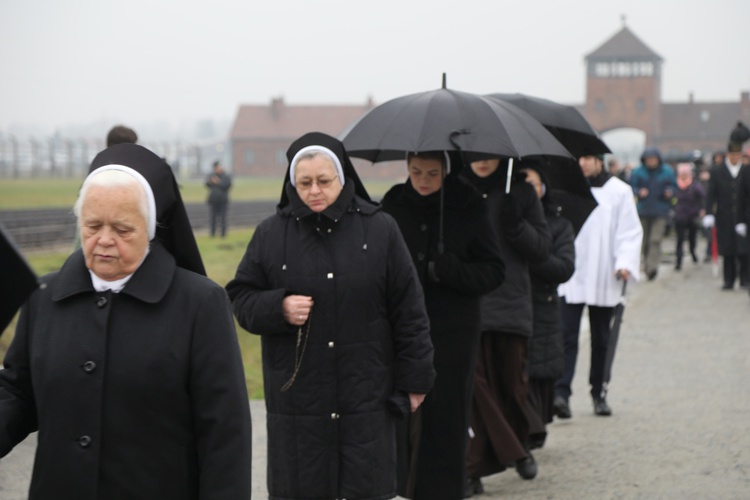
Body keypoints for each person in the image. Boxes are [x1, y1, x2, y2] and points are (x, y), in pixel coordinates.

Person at [0, 143, 253, 499]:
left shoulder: (199, 304)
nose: (104, 240)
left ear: (150, 230)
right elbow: (17, 391)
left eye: (122, 229)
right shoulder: (44, 295)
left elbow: (224, 432)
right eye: (93, 225)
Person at [226, 132, 436, 500]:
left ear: (343, 179)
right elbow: (240, 298)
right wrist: (278, 307)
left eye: (324, 181)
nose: (315, 191)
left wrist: (415, 380)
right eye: (304, 183)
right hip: (298, 401)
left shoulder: (380, 229)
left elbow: (409, 311)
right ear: (292, 183)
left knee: (366, 488)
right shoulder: (271, 234)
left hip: (365, 392)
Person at [380, 151, 505, 500]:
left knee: (446, 419)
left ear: (446, 171)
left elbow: (495, 270)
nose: (423, 180)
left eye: (433, 173)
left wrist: (453, 270)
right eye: (416, 171)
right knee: (398, 416)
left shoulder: (468, 204)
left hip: (453, 331)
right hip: (400, 330)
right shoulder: (392, 205)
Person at [461, 155, 552, 494]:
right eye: (476, 155)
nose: (482, 162)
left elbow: (542, 249)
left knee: (513, 387)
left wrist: (516, 226)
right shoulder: (459, 191)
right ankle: (476, 468)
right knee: (476, 389)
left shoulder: (522, 194)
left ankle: (519, 444)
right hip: (471, 301)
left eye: (490, 155)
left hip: (511, 303)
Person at [554, 153, 642, 419]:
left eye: (588, 158)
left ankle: (598, 392)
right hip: (573, 273)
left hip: (605, 273)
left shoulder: (619, 191)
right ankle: (561, 393)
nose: (582, 163)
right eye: (579, 158)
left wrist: (625, 261)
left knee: (601, 337)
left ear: (599, 160)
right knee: (566, 335)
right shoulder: (566, 189)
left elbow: (629, 230)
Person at [521, 166, 575, 450]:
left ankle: (535, 427)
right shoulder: (509, 220)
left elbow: (564, 267)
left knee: (540, 372)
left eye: (533, 183)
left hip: (544, 305)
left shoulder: (559, 224)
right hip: (513, 305)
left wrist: (531, 254)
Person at [703, 140, 749, 289]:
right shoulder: (718, 171)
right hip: (724, 215)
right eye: (733, 155)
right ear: (728, 155)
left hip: (744, 216)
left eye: (738, 155)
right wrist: (709, 213)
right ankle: (728, 280)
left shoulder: (747, 170)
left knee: (744, 250)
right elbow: (711, 194)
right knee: (727, 248)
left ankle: (745, 279)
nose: (736, 158)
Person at [629, 146, 676, 280]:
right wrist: (638, 192)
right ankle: (647, 262)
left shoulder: (667, 172)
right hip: (643, 210)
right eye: (648, 159)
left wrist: (669, 192)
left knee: (655, 239)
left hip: (660, 210)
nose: (651, 161)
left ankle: (652, 267)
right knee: (644, 241)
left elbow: (674, 186)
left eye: (653, 159)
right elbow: (631, 187)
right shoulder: (638, 172)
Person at [673, 163, 705, 270]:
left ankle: (692, 252)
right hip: (680, 216)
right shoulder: (675, 185)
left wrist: (702, 209)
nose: (683, 176)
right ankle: (679, 261)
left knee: (692, 238)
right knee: (679, 240)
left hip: (692, 217)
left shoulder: (695, 186)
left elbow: (703, 197)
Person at [205, 160, 232, 237]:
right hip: (213, 200)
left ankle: (223, 234)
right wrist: (211, 181)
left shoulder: (226, 176)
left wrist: (217, 182)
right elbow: (207, 184)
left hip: (223, 200)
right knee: (212, 218)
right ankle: (212, 233)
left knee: (223, 218)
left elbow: (226, 185)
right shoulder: (212, 175)